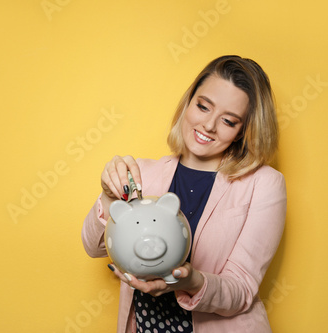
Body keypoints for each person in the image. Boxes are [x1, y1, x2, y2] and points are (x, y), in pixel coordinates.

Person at [81, 55, 287, 333]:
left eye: (228, 120)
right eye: (203, 107)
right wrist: (108, 195)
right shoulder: (142, 174)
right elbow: (96, 248)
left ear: (242, 131)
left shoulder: (264, 184)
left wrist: (192, 282)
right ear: (189, 102)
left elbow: (241, 290)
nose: (209, 125)